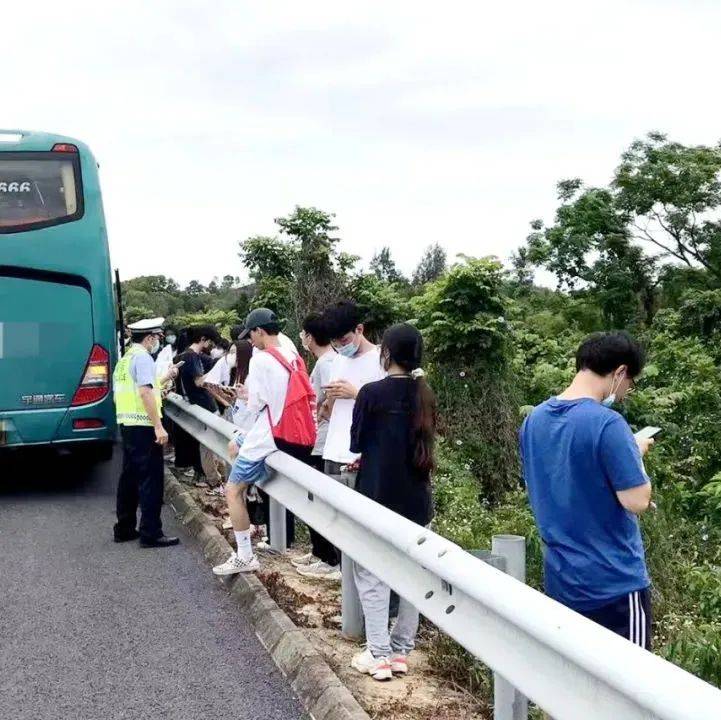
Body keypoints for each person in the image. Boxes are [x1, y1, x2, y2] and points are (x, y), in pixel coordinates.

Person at [520, 331, 654, 649]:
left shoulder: (534, 421)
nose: (625, 393)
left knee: (574, 687)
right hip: (615, 585)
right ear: (619, 372)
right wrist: (634, 453)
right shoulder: (608, 424)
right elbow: (637, 500)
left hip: (562, 581)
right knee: (629, 691)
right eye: (629, 384)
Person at [349, 323, 436, 680]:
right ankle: (401, 651)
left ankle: (378, 654)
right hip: (417, 502)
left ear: (386, 353)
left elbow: (356, 442)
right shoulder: (425, 394)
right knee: (411, 577)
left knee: (371, 574)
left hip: (377, 496)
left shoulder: (370, 393)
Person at [212, 308, 316, 576]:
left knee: (233, 490)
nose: (251, 341)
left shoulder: (261, 359)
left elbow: (258, 402)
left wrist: (244, 394)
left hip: (268, 433)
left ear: (259, 331)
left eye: (252, 335)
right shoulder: (291, 353)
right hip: (290, 432)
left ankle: (245, 555)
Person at [113, 317, 180, 548]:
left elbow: (142, 389)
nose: (157, 343)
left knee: (129, 477)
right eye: (156, 338)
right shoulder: (143, 358)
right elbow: (144, 393)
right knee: (151, 479)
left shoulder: (125, 359)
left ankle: (124, 528)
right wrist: (158, 426)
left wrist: (163, 378)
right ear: (150, 337)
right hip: (144, 425)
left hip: (128, 424)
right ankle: (151, 532)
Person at [291, 312, 341, 581]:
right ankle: (318, 552)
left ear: (310, 337)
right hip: (319, 440)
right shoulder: (325, 361)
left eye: (303, 334)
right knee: (314, 500)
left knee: (319, 501)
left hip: (324, 443)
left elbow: (331, 396)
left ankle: (329, 559)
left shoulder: (327, 362)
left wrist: (323, 410)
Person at [321, 301, 386, 476]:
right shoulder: (338, 360)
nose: (341, 347)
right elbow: (331, 411)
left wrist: (356, 394)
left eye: (344, 341)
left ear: (359, 329)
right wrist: (330, 399)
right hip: (333, 450)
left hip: (360, 456)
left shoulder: (382, 360)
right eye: (335, 343)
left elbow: (389, 407)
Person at [178, 325, 224, 486]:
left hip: (200, 404)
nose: (210, 345)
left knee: (210, 442)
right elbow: (198, 381)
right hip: (204, 405)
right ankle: (213, 478)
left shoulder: (186, 355)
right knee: (208, 444)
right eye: (209, 341)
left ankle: (214, 476)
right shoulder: (192, 357)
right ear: (203, 339)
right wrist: (217, 371)